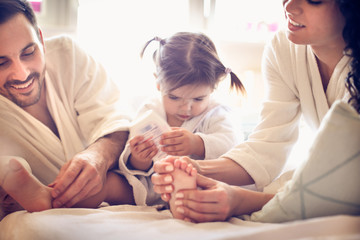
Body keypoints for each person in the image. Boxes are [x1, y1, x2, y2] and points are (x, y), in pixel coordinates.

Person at [151, 0, 360, 222]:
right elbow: (268, 146)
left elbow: (348, 183)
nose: (289, 6)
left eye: (314, 1)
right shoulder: (283, 48)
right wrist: (192, 168)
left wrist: (242, 200)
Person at [0, 0, 134, 219]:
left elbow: (116, 118)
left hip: (116, 184)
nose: (21, 74)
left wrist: (98, 155)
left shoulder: (68, 56)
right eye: (1, 63)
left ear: (41, 40)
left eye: (28, 52)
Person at [117, 32, 246, 218]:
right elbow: (131, 156)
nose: (186, 107)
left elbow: (232, 144)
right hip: (154, 185)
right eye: (174, 97)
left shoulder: (218, 112)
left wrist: (197, 144)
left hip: (200, 182)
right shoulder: (150, 109)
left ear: (213, 88)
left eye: (198, 98)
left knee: (204, 194)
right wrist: (140, 158)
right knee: (114, 183)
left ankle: (185, 205)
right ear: (159, 84)